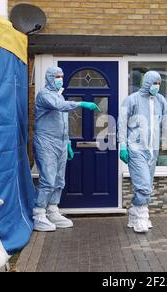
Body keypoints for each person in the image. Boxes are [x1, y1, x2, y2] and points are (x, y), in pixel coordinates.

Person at [33, 66, 100, 232]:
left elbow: (64, 122)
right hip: (46, 142)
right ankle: (39, 214)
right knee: (48, 179)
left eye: (61, 76)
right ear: (49, 78)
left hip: (60, 142)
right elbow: (59, 106)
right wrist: (81, 103)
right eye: (57, 76)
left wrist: (68, 142)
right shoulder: (45, 95)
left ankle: (53, 210)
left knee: (59, 180)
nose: (60, 79)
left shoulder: (59, 95)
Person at [118, 71, 167, 233]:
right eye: (154, 83)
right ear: (146, 82)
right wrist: (122, 145)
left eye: (159, 83)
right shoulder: (132, 100)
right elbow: (122, 123)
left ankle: (134, 213)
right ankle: (142, 217)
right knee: (143, 186)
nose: (157, 86)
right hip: (135, 148)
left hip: (153, 150)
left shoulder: (161, 100)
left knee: (146, 185)